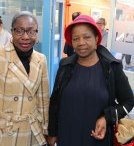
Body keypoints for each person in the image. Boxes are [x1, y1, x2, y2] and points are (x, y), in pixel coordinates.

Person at [48, 15, 134, 146]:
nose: (81, 42)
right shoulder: (65, 66)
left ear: (97, 39)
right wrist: (52, 132)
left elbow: (129, 101)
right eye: (76, 39)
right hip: (66, 137)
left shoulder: (112, 68)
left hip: (97, 139)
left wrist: (107, 117)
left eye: (87, 37)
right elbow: (55, 102)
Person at [0, 11, 50, 146]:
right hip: (4, 133)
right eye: (19, 31)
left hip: (33, 132)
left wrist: (45, 130)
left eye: (31, 31)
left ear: (37, 33)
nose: (26, 37)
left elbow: (44, 100)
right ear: (12, 32)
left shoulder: (41, 59)